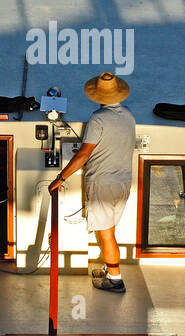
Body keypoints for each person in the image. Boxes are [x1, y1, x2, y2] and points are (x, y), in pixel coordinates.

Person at [48, 72, 135, 293]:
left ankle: (115, 280)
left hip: (103, 183)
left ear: (98, 95)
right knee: (110, 231)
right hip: (123, 182)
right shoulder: (128, 116)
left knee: (105, 233)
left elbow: (83, 154)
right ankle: (110, 269)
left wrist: (61, 178)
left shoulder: (98, 118)